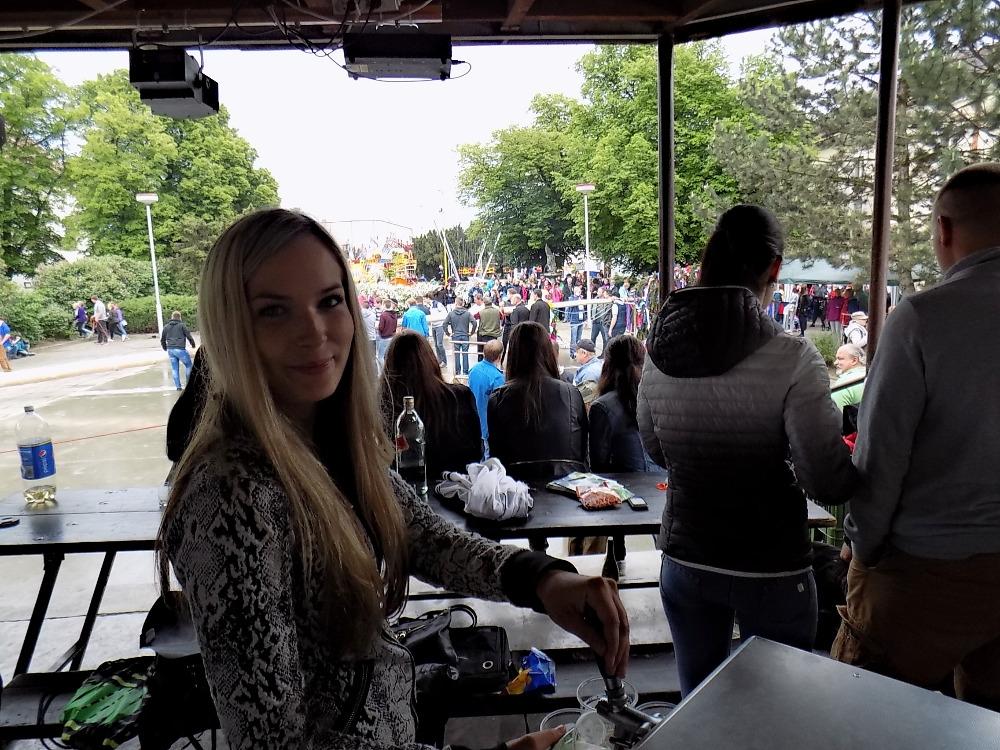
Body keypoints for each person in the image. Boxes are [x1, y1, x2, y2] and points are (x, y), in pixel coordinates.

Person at [157, 208, 629, 750]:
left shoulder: (323, 440)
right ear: (229, 328)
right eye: (273, 311)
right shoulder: (232, 497)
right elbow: (275, 741)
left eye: (329, 301)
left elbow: (425, 536)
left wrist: (545, 580)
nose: (315, 332)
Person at [637, 205, 855, 697]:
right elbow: (826, 480)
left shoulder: (658, 351)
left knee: (697, 704)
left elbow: (655, 447)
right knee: (776, 709)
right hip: (770, 561)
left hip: (687, 554)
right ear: (773, 268)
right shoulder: (793, 357)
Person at [833, 163, 1000, 711]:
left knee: (859, 719)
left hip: (922, 569)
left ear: (944, 230)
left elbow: (880, 460)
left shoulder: (923, 317)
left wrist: (861, 547)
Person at [488, 321, 588, 483]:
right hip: (567, 485)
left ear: (513, 354)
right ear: (548, 352)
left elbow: (496, 457)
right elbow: (582, 450)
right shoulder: (571, 393)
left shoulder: (498, 398)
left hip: (516, 488)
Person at [380, 330, 482, 480]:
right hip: (455, 487)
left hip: (404, 490)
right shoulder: (460, 397)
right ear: (430, 360)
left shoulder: (382, 407)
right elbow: (476, 453)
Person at [589, 335, 662, 474]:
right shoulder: (658, 396)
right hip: (662, 482)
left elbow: (598, 465)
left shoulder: (602, 407)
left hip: (625, 484)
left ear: (607, 364)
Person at [467, 339, 505, 454]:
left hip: (473, 420)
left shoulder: (473, 370)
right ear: (499, 357)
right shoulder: (497, 378)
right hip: (488, 425)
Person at [161, 310, 196, 391]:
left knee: (174, 369)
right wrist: (193, 344)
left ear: (172, 317)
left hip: (170, 350)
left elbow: (162, 339)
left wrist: (165, 348)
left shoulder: (166, 327)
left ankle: (178, 387)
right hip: (180, 349)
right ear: (180, 317)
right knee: (189, 365)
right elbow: (188, 335)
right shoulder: (182, 325)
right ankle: (188, 385)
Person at [444, 297, 476, 376]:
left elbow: (444, 324)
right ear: (463, 303)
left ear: (455, 303)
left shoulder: (451, 313)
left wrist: (448, 333)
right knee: (465, 354)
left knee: (456, 354)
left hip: (455, 336)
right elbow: (474, 323)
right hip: (465, 335)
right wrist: (471, 332)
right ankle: (465, 371)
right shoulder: (467, 313)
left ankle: (457, 371)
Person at [831, 344, 866, 413]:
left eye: (840, 359)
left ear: (854, 360)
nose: (835, 363)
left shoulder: (844, 383)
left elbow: (835, 415)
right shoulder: (871, 376)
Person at [474, 296, 502, 362]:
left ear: (484, 303)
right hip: (494, 334)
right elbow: (502, 317)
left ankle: (481, 364)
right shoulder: (497, 311)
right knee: (492, 351)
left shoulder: (481, 312)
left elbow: (474, 317)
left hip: (483, 334)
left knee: (481, 352)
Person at [376, 298, 399, 368]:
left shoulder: (383, 315)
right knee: (389, 355)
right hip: (392, 336)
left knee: (380, 356)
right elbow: (395, 325)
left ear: (384, 305)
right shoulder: (394, 314)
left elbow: (381, 327)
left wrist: (378, 329)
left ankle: (383, 371)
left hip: (384, 337)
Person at [427, 294, 449, 367]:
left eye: (425, 299)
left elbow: (444, 314)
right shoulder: (430, 306)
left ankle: (444, 361)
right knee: (436, 345)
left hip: (439, 325)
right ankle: (439, 360)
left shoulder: (438, 304)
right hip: (433, 326)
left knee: (439, 344)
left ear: (428, 298)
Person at [566, 285, 586, 358]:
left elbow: (583, 309)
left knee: (579, 338)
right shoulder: (571, 298)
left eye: (580, 291)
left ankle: (577, 352)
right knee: (573, 338)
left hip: (581, 320)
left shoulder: (581, 298)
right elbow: (570, 306)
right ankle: (572, 353)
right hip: (574, 320)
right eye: (578, 291)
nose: (580, 292)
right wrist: (577, 298)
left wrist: (585, 319)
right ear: (575, 291)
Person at [591, 288, 612, 353]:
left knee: (605, 339)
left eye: (599, 292)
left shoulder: (607, 300)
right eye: (598, 291)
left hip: (603, 322)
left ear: (603, 293)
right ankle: (592, 352)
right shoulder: (595, 299)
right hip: (595, 322)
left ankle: (604, 354)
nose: (598, 293)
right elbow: (592, 308)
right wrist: (591, 317)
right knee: (592, 338)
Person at [359, 296, 378, 360]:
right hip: (372, 337)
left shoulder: (359, 315)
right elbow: (374, 325)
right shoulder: (373, 315)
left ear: (362, 306)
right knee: (373, 358)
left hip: (362, 338)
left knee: (363, 358)